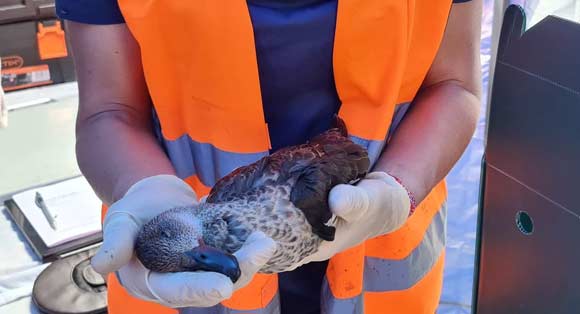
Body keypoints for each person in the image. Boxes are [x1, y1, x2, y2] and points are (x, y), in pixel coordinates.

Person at [56, 0, 482, 313]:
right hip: (188, 296)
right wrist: (146, 188)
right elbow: (108, 110)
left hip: (381, 266)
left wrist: (397, 190)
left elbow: (453, 84)